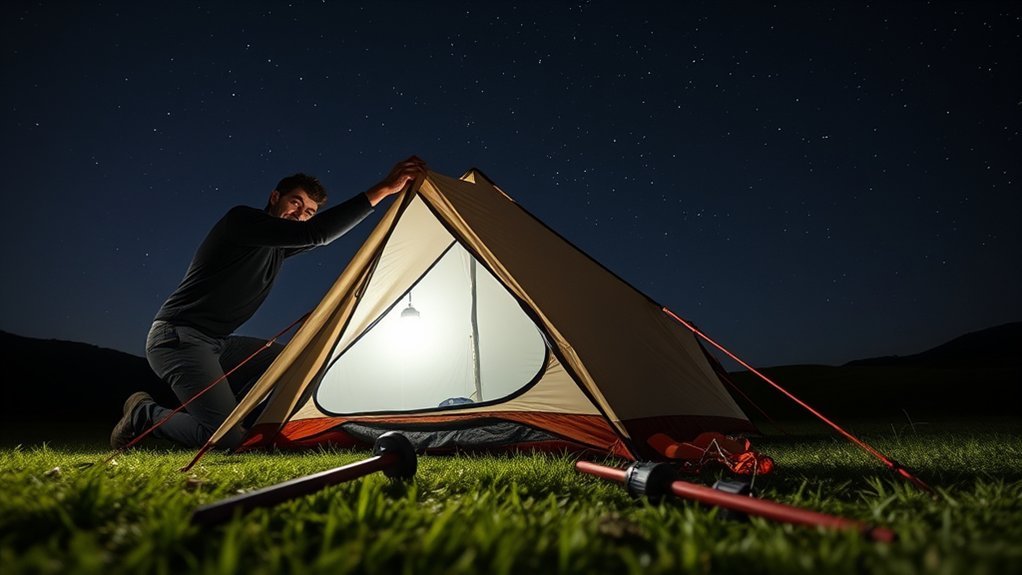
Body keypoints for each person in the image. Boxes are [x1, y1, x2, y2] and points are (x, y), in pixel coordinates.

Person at [110, 156, 428, 450]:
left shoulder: (277, 248)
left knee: (292, 363)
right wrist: (384, 189)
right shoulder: (241, 221)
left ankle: (235, 415)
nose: (300, 214)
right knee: (228, 441)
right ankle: (144, 415)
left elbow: (316, 236)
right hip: (178, 339)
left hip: (218, 344)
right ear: (275, 197)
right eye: (295, 202)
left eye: (309, 212)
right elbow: (317, 234)